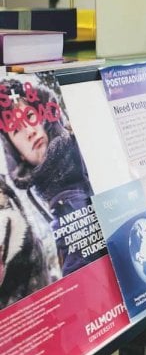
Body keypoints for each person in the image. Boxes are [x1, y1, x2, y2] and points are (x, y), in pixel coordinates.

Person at [0, 79, 101, 276]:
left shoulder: (81, 146)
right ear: (14, 151)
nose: (30, 132)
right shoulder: (37, 204)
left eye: (30, 116)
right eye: (16, 130)